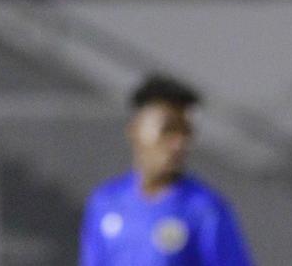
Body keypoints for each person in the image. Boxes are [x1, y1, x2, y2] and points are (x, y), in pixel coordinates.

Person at [80, 75, 254, 266]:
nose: (179, 143)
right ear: (135, 130)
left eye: (186, 132)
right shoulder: (105, 201)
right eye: (168, 129)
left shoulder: (204, 209)